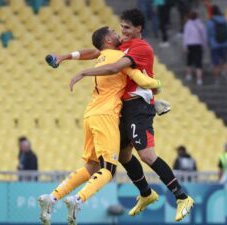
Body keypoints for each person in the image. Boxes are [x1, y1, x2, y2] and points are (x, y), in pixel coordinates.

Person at [46, 8, 194, 222]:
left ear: (138, 29)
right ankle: (146, 194)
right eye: (121, 27)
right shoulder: (122, 46)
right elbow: (97, 52)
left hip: (138, 107)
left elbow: (115, 67)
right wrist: (66, 56)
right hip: (125, 108)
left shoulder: (141, 48)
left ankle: (182, 197)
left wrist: (84, 72)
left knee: (147, 155)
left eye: (126, 28)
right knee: (124, 156)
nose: (122, 31)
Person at [39, 26, 162, 225]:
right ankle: (78, 199)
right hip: (106, 116)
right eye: (114, 31)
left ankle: (52, 197)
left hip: (90, 115)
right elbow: (141, 79)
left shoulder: (103, 56)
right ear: (108, 39)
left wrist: (65, 56)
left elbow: (93, 51)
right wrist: (156, 90)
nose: (118, 32)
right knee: (108, 169)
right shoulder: (121, 56)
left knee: (91, 166)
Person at [206, 5, 227, 85]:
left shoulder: (210, 22)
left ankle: (217, 80)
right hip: (225, 44)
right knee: (225, 61)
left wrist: (209, 43)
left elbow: (209, 34)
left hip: (214, 45)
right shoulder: (225, 20)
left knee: (215, 63)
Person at [183, 10, 206, 85]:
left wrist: (185, 46)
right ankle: (199, 79)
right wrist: (204, 45)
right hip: (198, 44)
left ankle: (188, 75)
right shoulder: (200, 24)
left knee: (189, 61)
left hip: (190, 44)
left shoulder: (188, 24)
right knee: (198, 62)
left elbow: (186, 36)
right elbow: (204, 36)